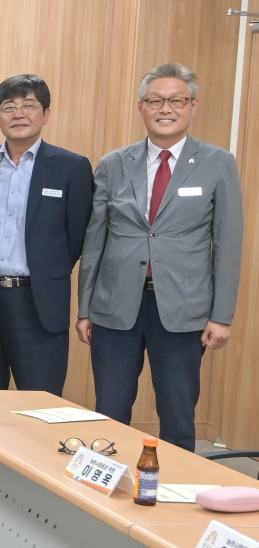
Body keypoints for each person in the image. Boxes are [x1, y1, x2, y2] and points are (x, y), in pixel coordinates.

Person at [78, 63, 243, 452]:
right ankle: (107, 483)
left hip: (183, 309)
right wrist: (85, 309)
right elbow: (95, 240)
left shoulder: (218, 163)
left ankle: (175, 484)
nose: (165, 109)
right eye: (155, 101)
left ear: (193, 106)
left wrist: (221, 316)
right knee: (110, 410)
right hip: (115, 307)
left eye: (176, 101)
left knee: (178, 414)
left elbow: (228, 242)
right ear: (141, 107)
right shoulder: (115, 163)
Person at [0, 74, 93, 395]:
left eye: (29, 106)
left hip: (39, 302)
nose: (18, 114)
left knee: (39, 401)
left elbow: (77, 236)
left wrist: (46, 271)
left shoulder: (71, 166)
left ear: (46, 114)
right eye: (9, 107)